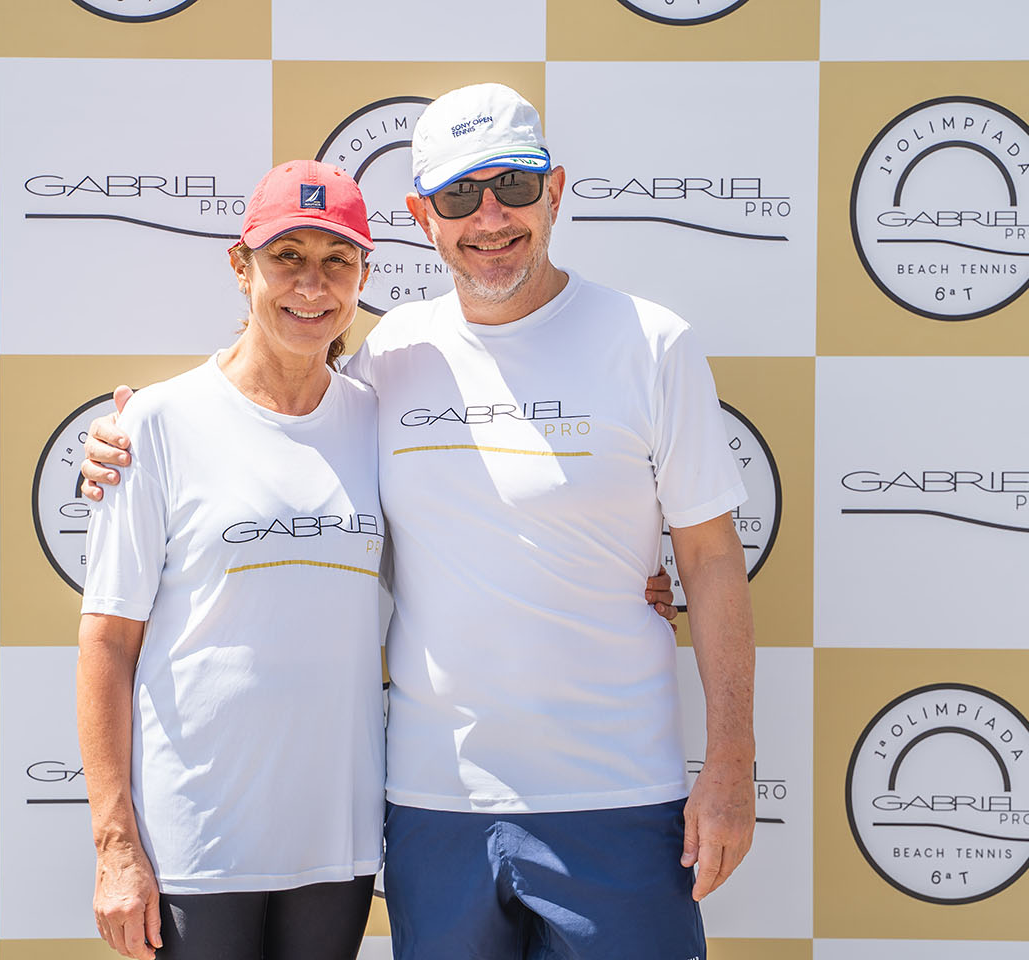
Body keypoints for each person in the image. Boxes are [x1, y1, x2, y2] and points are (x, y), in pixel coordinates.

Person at [85, 84, 754, 960]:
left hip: (619, 796)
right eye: (459, 194)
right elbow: (266, 428)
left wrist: (730, 765)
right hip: (435, 810)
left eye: (513, 186)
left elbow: (711, 561)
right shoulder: (391, 359)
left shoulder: (654, 343)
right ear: (422, 217)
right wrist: (126, 439)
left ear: (554, 191)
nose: (490, 217)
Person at [76, 160, 386, 960]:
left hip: (336, 838)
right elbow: (108, 642)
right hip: (196, 838)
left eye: (337, 260)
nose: (312, 284)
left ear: (363, 275)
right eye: (287, 256)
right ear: (240, 266)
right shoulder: (156, 424)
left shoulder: (381, 420)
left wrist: (638, 583)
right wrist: (115, 845)